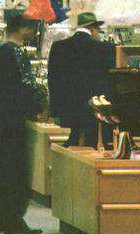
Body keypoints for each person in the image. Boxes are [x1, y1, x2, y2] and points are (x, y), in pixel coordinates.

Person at [0, 15, 43, 234]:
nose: (31, 33)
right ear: (22, 30)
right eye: (29, 29)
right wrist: (35, 107)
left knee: (4, 168)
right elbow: (28, 85)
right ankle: (14, 220)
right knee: (18, 169)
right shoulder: (18, 53)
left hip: (2, 115)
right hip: (17, 117)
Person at [48, 12, 115, 148]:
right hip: (93, 111)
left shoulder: (58, 47)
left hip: (68, 109)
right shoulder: (104, 49)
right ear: (92, 29)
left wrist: (56, 110)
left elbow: (52, 81)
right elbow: (108, 82)